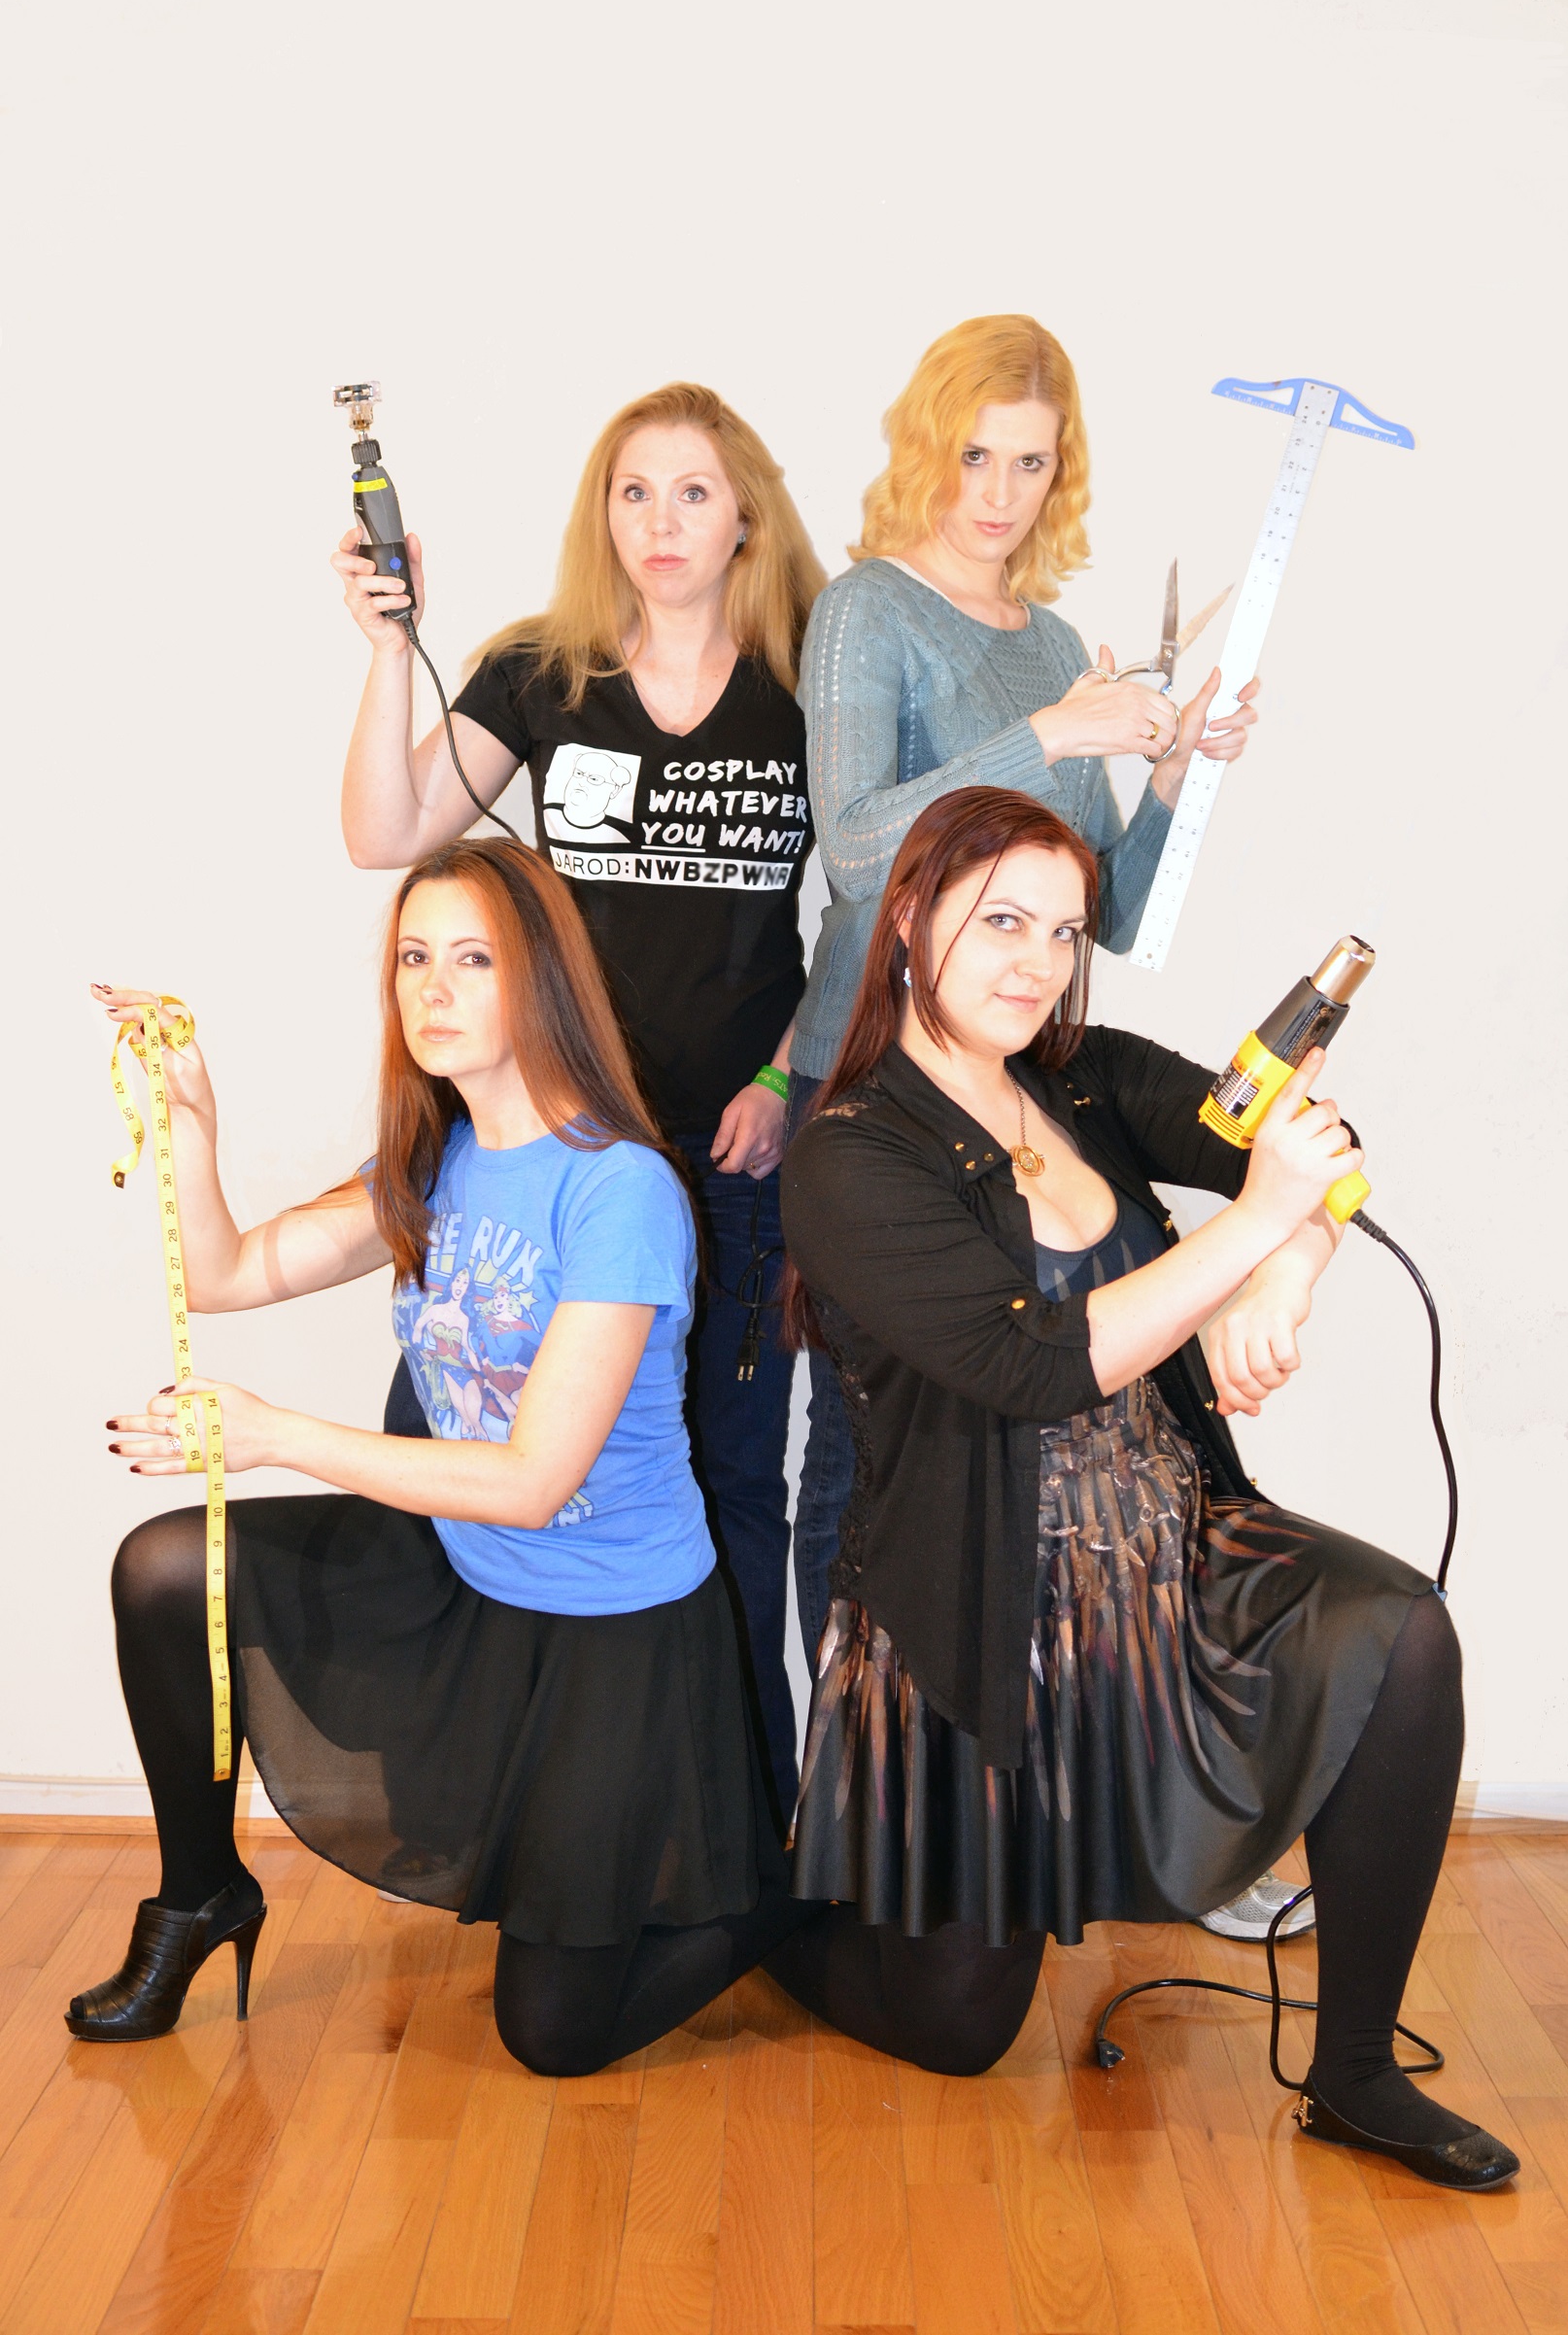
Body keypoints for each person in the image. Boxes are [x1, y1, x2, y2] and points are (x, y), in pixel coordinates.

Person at [767, 786, 1517, 2191]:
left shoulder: (1090, 1077)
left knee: (1401, 1632)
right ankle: (773, 1906)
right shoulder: (849, 1153)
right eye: (1001, 921)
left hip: (1167, 1539)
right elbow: (1033, 1362)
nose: (1038, 962)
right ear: (910, 918)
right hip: (971, 1604)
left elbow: (1312, 1151)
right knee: (956, 2028)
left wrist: (1285, 1269)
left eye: (1065, 931)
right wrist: (1253, 1229)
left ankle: (1355, 2075)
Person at [74, 838, 813, 2074]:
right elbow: (225, 1273)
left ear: (545, 980)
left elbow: (533, 1481)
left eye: (474, 959)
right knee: (165, 1569)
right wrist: (194, 1120)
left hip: (612, 1630)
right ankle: (198, 1897)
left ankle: (787, 1889)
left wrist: (273, 1435)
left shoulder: (620, 1188)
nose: (434, 986)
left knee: (552, 2034)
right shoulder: (434, 1158)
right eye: (415, 957)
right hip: (467, 1581)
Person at [787, 312, 1289, 1942]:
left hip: (1016, 1086)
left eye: (1029, 460)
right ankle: (850, 1827)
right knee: (871, 1474)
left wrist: (1170, 774)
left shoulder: (1059, 634)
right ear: (922, 449)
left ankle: (1088, 1816)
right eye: (973, 454)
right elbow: (854, 852)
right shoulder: (869, 611)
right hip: (874, 1094)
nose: (997, 491)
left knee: (1055, 1473)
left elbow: (1104, 919)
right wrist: (1056, 735)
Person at [331, 384, 825, 1820]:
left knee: (729, 1488)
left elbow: (874, 906)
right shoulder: (540, 673)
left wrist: (784, 1076)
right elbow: (384, 831)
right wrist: (388, 650)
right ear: (601, 514)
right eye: (633, 490)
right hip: (549, 1157)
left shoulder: (809, 683)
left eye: (693, 491)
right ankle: (511, 1805)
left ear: (746, 518)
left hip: (734, 1161)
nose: (661, 521)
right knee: (472, 1459)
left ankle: (739, 1825)